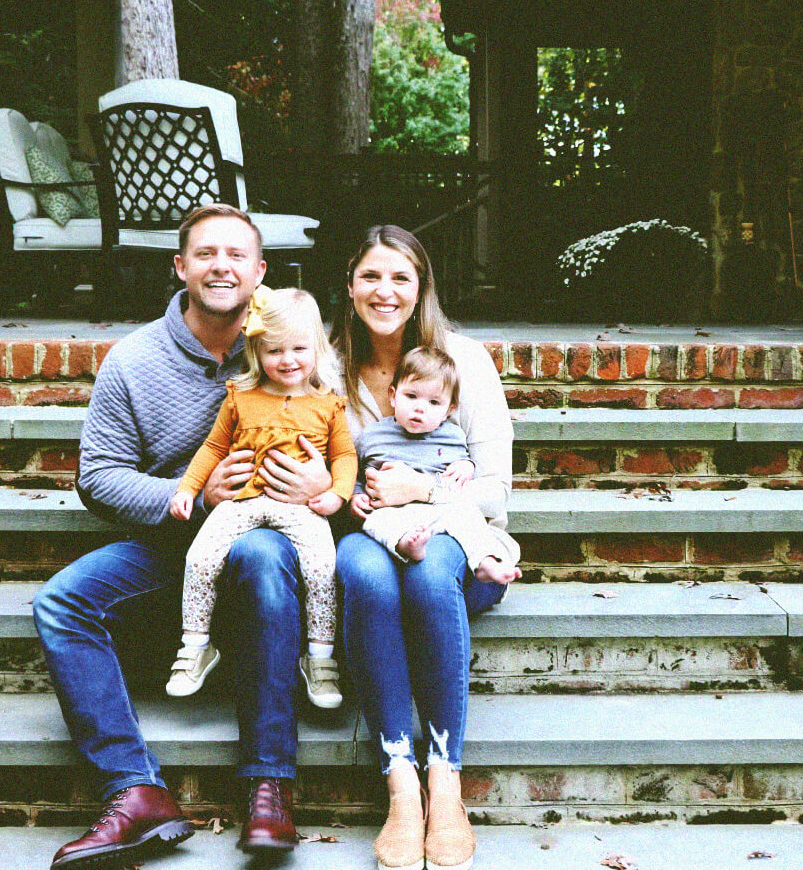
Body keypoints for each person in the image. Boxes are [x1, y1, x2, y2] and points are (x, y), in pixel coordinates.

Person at [34, 204, 332, 869]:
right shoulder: (134, 359)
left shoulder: (297, 346)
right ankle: (135, 790)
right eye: (205, 254)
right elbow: (98, 477)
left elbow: (349, 446)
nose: (221, 266)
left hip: (274, 544)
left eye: (236, 255)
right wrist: (190, 497)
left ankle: (268, 784)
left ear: (260, 272)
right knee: (61, 601)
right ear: (180, 266)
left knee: (260, 553)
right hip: (175, 543)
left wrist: (321, 485)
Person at [332, 225, 520, 870]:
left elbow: (496, 487)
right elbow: (319, 463)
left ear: (421, 289)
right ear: (350, 284)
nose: (384, 291)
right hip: (365, 534)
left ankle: (445, 776)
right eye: (371, 276)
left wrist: (425, 492)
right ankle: (399, 781)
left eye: (400, 278)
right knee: (370, 577)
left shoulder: (463, 361)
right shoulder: (329, 367)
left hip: (453, 536)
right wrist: (343, 493)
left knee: (429, 575)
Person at [167, 286, 356, 709]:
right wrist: (187, 489)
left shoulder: (328, 404)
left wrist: (338, 494)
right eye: (274, 351)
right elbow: (213, 448)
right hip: (241, 501)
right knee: (200, 557)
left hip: (301, 508)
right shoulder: (241, 397)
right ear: (256, 351)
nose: (287, 360)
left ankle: (320, 659)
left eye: (299, 349)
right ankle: (196, 647)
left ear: (317, 349)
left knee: (323, 566)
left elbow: (345, 455)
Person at [353, 346, 521, 582]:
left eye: (434, 402)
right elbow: (358, 474)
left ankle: (485, 561)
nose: (420, 407)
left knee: (468, 516)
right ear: (393, 395)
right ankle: (407, 544)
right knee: (376, 522)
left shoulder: (452, 436)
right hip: (392, 512)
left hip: (439, 510)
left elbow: (462, 463)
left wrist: (467, 466)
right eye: (411, 396)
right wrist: (357, 496)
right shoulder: (372, 437)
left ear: (448, 410)